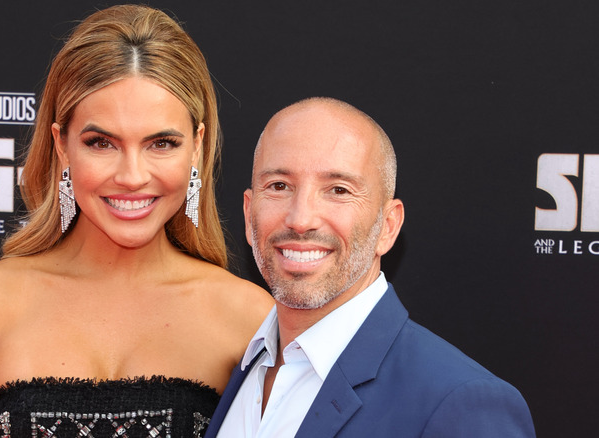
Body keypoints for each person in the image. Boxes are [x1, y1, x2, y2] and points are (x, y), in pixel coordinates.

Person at [0, 5, 272, 437]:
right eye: (101, 142)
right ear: (62, 145)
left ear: (198, 148)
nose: (131, 176)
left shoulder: (249, 318)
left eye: (161, 143)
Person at [205, 97, 536, 437]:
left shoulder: (460, 403)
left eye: (338, 190)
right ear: (248, 215)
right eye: (279, 186)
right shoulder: (240, 369)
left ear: (388, 226)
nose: (300, 219)